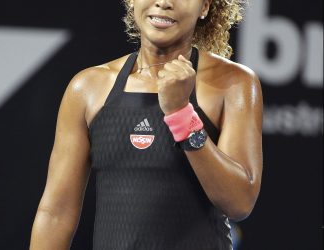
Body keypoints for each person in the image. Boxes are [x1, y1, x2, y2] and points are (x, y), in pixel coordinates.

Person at [30, 0, 263, 249]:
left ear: (205, 7)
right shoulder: (87, 88)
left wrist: (182, 114)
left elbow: (239, 202)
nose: (163, 2)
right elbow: (56, 214)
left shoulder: (234, 83)